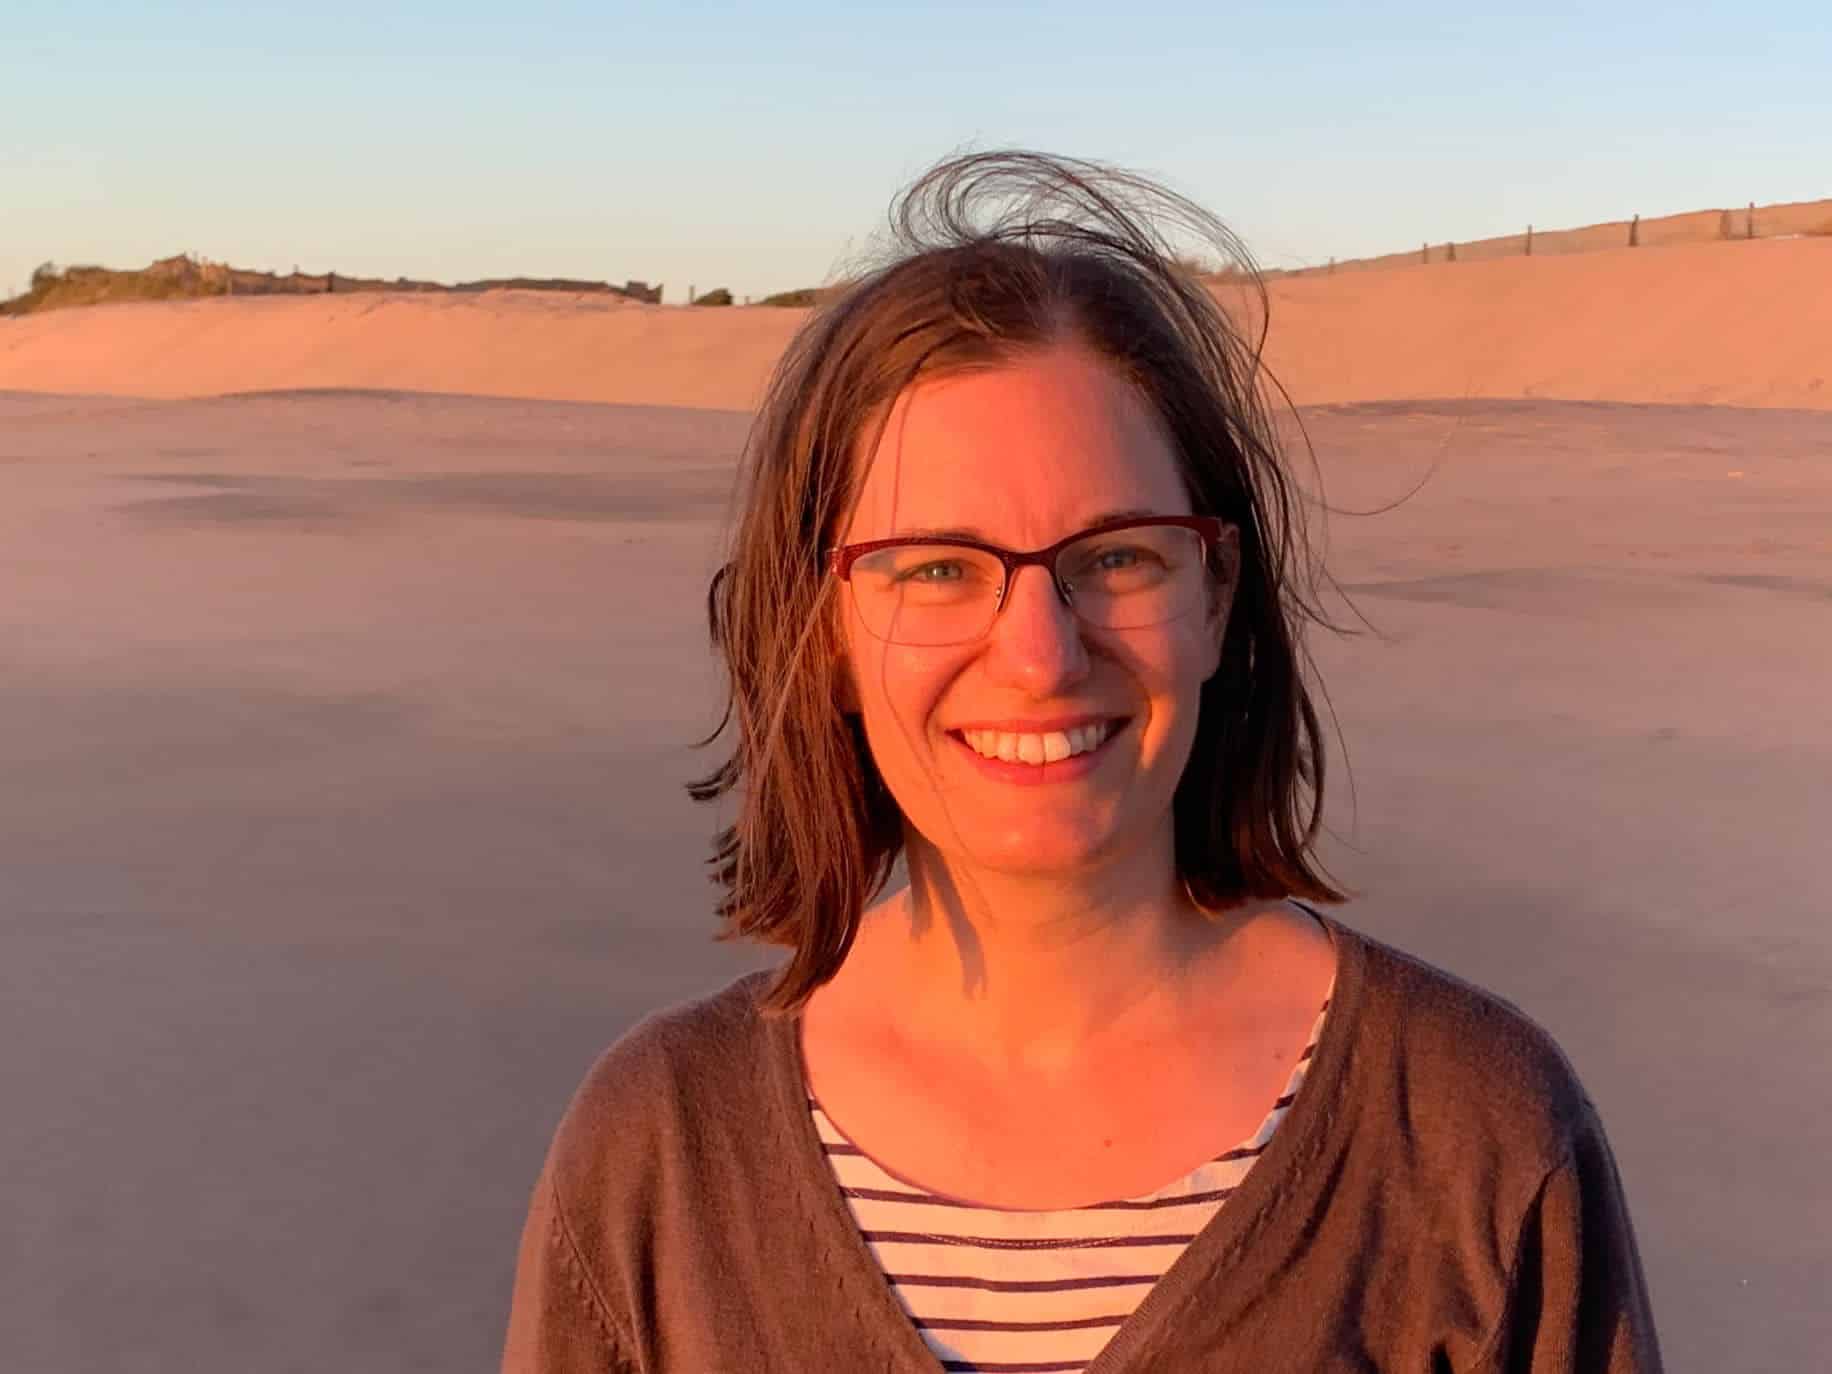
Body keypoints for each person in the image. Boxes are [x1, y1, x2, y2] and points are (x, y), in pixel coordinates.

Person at [501, 151, 1662, 1372]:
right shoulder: (662, 1149)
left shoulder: (1472, 1133)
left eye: (1115, 557)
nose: (1039, 655)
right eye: (935, 567)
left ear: (1214, 595)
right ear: (821, 630)